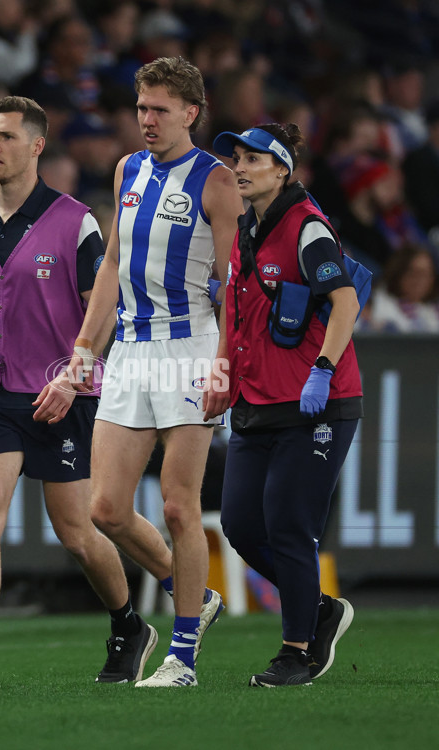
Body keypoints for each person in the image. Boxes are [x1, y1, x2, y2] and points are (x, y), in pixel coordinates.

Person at [0, 95, 157, 687]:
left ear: (36, 147)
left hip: (63, 393)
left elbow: (100, 311)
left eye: (5, 136)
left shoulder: (75, 220)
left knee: (78, 534)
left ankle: (129, 624)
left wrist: (75, 376)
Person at [44, 56, 242, 688]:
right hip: (129, 351)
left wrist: (224, 362)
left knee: (181, 507)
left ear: (191, 112)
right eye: (141, 108)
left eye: (159, 109)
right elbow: (111, 267)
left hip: (189, 349)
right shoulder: (128, 169)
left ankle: (181, 657)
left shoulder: (216, 181)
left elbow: (232, 286)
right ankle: (196, 597)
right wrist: (84, 348)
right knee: (104, 507)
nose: (147, 120)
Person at [212, 123, 361, 687]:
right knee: (243, 525)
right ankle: (318, 607)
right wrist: (225, 369)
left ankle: (297, 650)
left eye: (254, 159)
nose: (240, 167)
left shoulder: (307, 229)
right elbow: (235, 308)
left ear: (282, 170)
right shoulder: (247, 229)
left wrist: (322, 371)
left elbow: (344, 303)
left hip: (314, 404)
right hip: (257, 401)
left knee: (290, 526)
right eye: (236, 158)